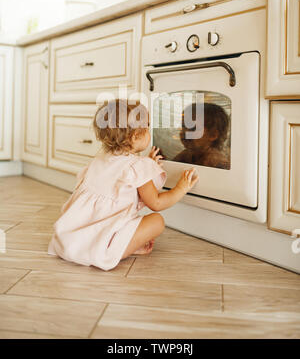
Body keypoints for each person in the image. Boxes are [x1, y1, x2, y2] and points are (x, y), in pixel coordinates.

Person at [48, 99, 198, 271]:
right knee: (157, 221)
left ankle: (107, 246)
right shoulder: (138, 166)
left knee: (130, 221)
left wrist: (147, 165)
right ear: (135, 137)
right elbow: (156, 203)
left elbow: (124, 174)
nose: (150, 132)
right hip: (103, 238)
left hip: (75, 236)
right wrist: (181, 188)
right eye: (147, 128)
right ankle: (119, 251)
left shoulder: (100, 159)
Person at [174, 102, 230, 170]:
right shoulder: (188, 153)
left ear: (213, 135)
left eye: (193, 128)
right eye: (183, 126)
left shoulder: (217, 162)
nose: (185, 132)